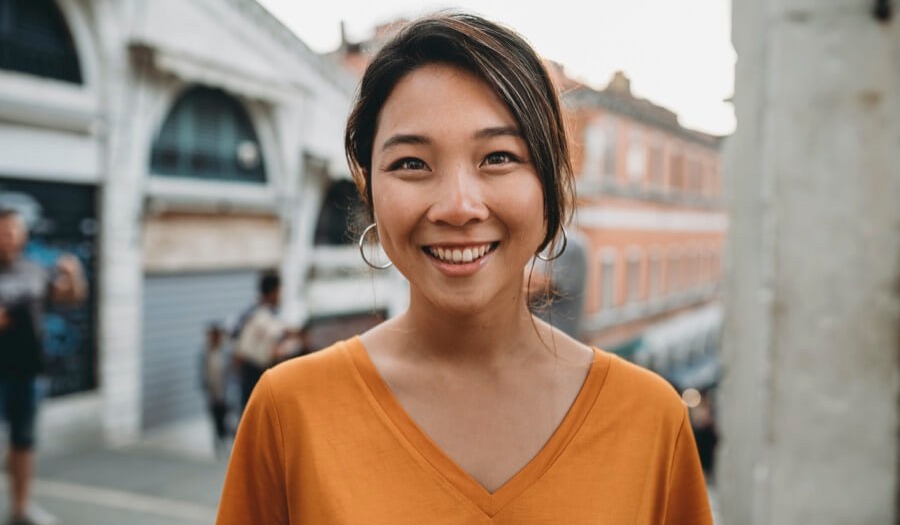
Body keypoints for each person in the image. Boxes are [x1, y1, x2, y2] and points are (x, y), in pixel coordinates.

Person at [217, 13, 713, 524]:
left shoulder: (651, 420)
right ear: (369, 189)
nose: (458, 206)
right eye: (412, 163)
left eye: (498, 157)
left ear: (551, 184)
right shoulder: (289, 411)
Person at [0, 208, 86, 525]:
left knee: (23, 443)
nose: (8, 237)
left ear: (23, 235)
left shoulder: (34, 270)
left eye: (13, 230)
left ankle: (20, 508)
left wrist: (73, 274)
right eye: (2, 230)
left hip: (27, 372)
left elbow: (71, 298)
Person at [231, 271, 303, 412]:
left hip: (258, 373)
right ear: (273, 292)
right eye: (279, 291)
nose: (280, 295)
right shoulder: (256, 314)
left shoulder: (264, 313)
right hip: (253, 374)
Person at [200, 322, 232, 458]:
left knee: (225, 417)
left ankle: (224, 439)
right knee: (215, 418)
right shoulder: (205, 353)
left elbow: (230, 374)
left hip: (225, 392)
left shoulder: (225, 353)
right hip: (213, 392)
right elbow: (203, 373)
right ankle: (218, 442)